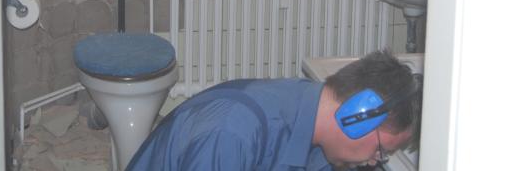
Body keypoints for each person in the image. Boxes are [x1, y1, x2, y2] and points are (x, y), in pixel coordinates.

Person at [126, 49, 422, 170]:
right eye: (380, 150)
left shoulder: (318, 137)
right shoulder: (231, 133)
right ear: (358, 116)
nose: (374, 162)